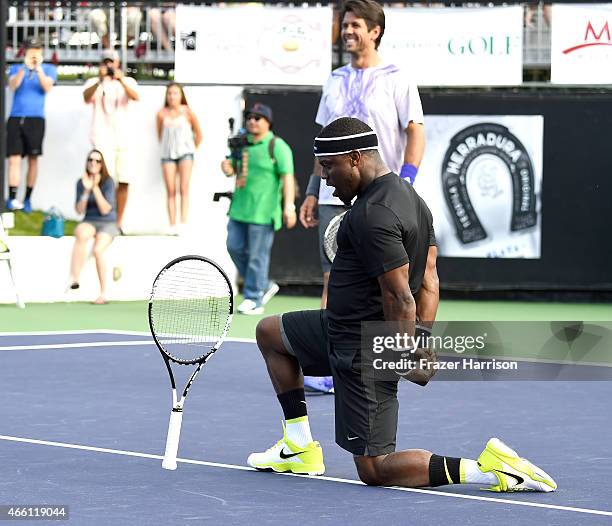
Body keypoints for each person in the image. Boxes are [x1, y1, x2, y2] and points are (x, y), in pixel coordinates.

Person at [248, 117, 557, 493]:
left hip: (364, 348)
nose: (326, 179)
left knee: (375, 469)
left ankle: (490, 470)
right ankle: (298, 446)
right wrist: (422, 341)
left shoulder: (371, 214)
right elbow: (429, 278)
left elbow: (401, 296)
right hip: (338, 327)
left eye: (329, 167)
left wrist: (400, 353)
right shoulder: (413, 200)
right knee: (270, 332)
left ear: (356, 158)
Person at [300, 0, 426, 394]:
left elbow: (415, 131)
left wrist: (404, 181)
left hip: (380, 198)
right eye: (345, 25)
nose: (348, 31)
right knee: (331, 279)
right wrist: (310, 189)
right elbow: (323, 143)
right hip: (332, 193)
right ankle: (328, 365)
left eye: (356, 25)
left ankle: (397, 358)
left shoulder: (397, 75)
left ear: (375, 31)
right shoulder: (334, 78)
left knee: (389, 284)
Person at [220, 103, 297, 315]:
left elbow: (287, 177)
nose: (252, 121)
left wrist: (289, 207)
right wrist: (226, 167)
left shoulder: (277, 146)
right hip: (239, 208)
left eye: (258, 117)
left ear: (268, 123)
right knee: (233, 246)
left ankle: (254, 298)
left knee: (257, 256)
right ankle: (263, 284)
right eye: (250, 117)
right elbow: (232, 167)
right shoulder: (241, 144)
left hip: (263, 212)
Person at [83, 49, 139, 232]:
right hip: (102, 138)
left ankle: (118, 221)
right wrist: (100, 80)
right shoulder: (95, 82)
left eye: (111, 62)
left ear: (117, 63)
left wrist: (120, 79)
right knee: (104, 180)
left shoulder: (126, 81)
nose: (108, 66)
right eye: (105, 62)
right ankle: (103, 219)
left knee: (123, 180)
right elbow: (86, 97)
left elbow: (135, 96)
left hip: (123, 138)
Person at [5, 38, 57, 212]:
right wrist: (25, 68)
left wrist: (38, 69)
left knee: (33, 159)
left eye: (36, 49)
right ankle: (12, 199)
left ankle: (27, 198)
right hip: (16, 117)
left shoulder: (49, 69)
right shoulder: (15, 68)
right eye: (30, 49)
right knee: (14, 159)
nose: (33, 52)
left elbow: (47, 88)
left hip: (36, 119)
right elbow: (13, 85)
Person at [69, 150, 120, 305]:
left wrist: (95, 187)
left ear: (101, 164)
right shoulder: (81, 182)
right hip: (90, 220)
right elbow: (79, 210)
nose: (93, 163)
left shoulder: (108, 182)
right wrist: (86, 189)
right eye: (90, 160)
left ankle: (103, 293)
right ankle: (74, 279)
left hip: (108, 222)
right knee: (81, 234)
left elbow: (105, 209)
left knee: (98, 250)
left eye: (97, 161)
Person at [156, 82, 202, 234]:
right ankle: (172, 224)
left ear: (181, 95)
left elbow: (198, 133)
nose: (172, 96)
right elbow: (160, 135)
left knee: (184, 188)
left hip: (185, 154)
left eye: (175, 93)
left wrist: (191, 147)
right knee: (171, 189)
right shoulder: (161, 113)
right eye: (169, 93)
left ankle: (183, 222)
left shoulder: (187, 112)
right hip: (167, 155)